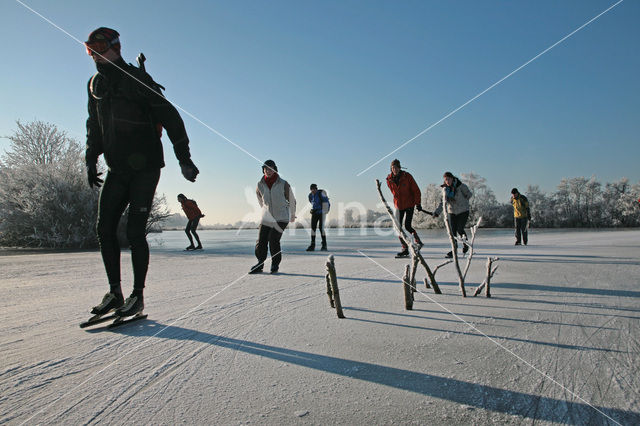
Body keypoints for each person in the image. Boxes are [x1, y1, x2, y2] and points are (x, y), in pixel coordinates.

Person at [84, 27, 199, 318]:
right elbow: (94, 126)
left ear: (115, 47)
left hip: (146, 167)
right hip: (116, 168)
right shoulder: (95, 85)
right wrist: (90, 157)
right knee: (104, 228)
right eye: (89, 48)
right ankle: (115, 292)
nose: (95, 53)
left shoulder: (137, 79)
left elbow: (171, 118)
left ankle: (137, 296)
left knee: (135, 231)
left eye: (99, 46)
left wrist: (184, 159)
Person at [250, 160, 296, 274]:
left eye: (270, 169)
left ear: (274, 169)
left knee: (273, 239)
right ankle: (260, 263)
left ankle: (275, 264)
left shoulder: (283, 183)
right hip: (266, 217)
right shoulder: (260, 184)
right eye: (265, 169)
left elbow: (292, 200)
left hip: (281, 217)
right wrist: (265, 210)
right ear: (263, 170)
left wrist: (292, 213)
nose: (268, 171)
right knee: (261, 240)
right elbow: (260, 199)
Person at [386, 159, 424, 258]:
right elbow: (394, 193)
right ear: (391, 169)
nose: (395, 169)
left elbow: (416, 190)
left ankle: (418, 242)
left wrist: (418, 203)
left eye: (396, 167)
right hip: (398, 205)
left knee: (407, 226)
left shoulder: (407, 177)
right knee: (397, 228)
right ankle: (404, 248)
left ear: (400, 168)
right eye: (393, 168)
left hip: (409, 204)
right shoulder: (389, 179)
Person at [433, 172, 473, 258]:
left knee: (460, 228)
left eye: (448, 179)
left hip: (463, 211)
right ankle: (454, 249)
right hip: (452, 212)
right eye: (445, 179)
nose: (447, 181)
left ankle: (465, 244)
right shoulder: (445, 190)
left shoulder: (461, 186)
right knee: (452, 232)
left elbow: (469, 195)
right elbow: (442, 203)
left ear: (452, 178)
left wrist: (463, 201)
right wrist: (437, 212)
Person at [306, 184, 330, 251]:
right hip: (315, 213)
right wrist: (313, 209)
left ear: (316, 189)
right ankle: (312, 245)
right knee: (313, 228)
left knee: (321, 228)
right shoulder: (310, 195)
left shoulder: (321, 194)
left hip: (322, 213)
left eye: (314, 189)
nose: (313, 190)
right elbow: (313, 203)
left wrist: (321, 210)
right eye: (311, 189)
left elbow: (326, 203)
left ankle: (324, 245)